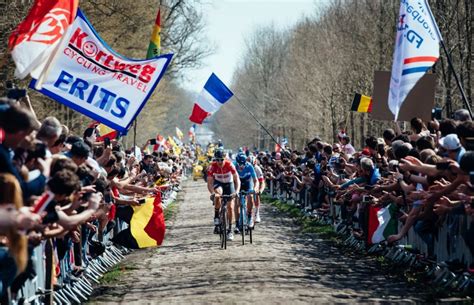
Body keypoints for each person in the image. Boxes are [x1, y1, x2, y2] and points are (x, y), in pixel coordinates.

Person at [207, 149, 240, 241]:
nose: (219, 162)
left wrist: (236, 191)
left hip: (229, 184)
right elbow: (209, 183)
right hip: (219, 183)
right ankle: (217, 215)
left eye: (221, 159)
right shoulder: (212, 167)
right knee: (218, 194)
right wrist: (212, 193)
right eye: (217, 160)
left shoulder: (230, 165)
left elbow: (237, 180)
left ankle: (230, 230)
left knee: (230, 207)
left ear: (224, 159)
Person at [234, 153, 259, 233]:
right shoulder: (234, 166)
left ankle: (249, 216)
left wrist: (255, 189)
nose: (241, 166)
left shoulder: (249, 166)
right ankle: (237, 224)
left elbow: (256, 180)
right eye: (240, 164)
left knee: (250, 196)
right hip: (238, 183)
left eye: (243, 164)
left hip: (247, 183)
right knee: (237, 202)